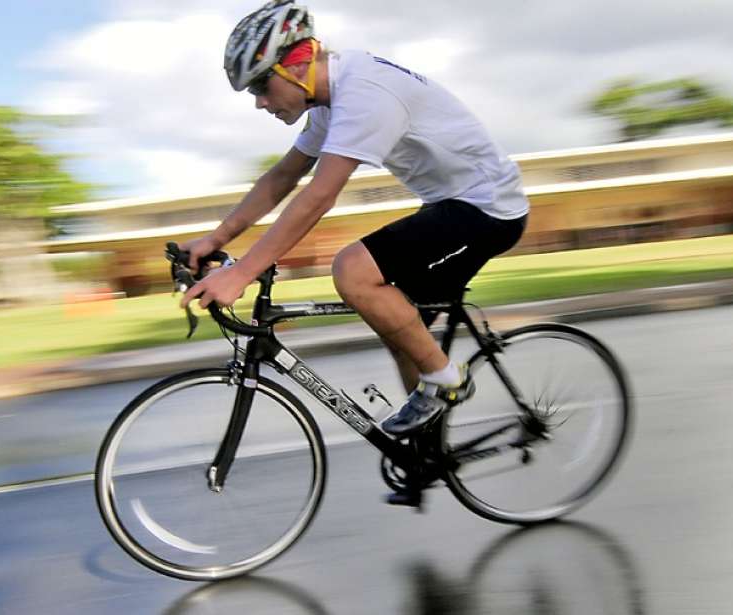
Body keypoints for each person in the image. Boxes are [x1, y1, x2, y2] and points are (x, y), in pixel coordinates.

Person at [181, 0, 529, 436]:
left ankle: (446, 380)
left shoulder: (365, 94)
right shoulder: (331, 101)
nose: (260, 103)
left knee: (352, 270)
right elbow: (283, 176)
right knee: (400, 328)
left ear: (298, 64)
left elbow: (319, 195)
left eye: (261, 87)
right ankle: (425, 454)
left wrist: (242, 274)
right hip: (450, 203)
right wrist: (216, 238)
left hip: (488, 208)